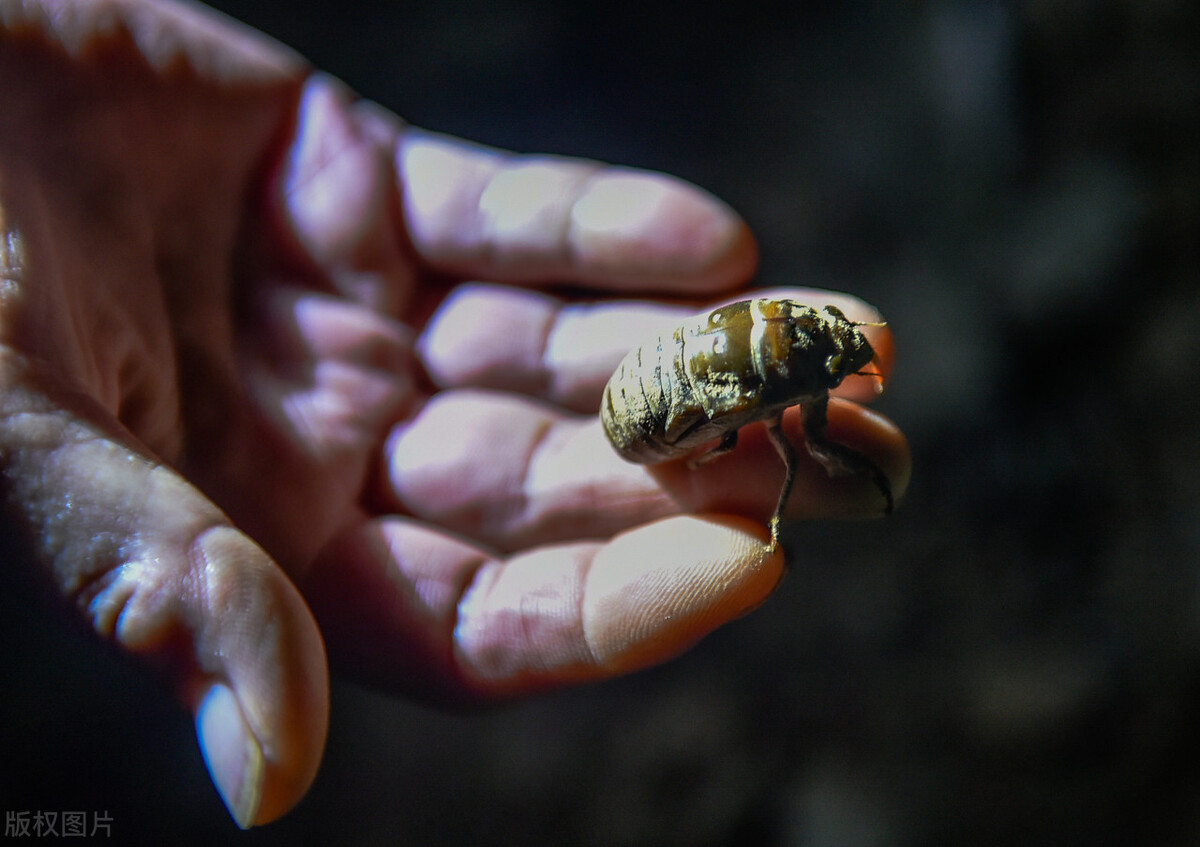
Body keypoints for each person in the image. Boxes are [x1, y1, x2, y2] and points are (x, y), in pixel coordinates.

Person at [0, 0, 910, 829]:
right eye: (830, 350)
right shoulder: (788, 378)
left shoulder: (785, 358)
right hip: (657, 408)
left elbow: (778, 416)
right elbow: (798, 443)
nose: (838, 355)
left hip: (671, 392)